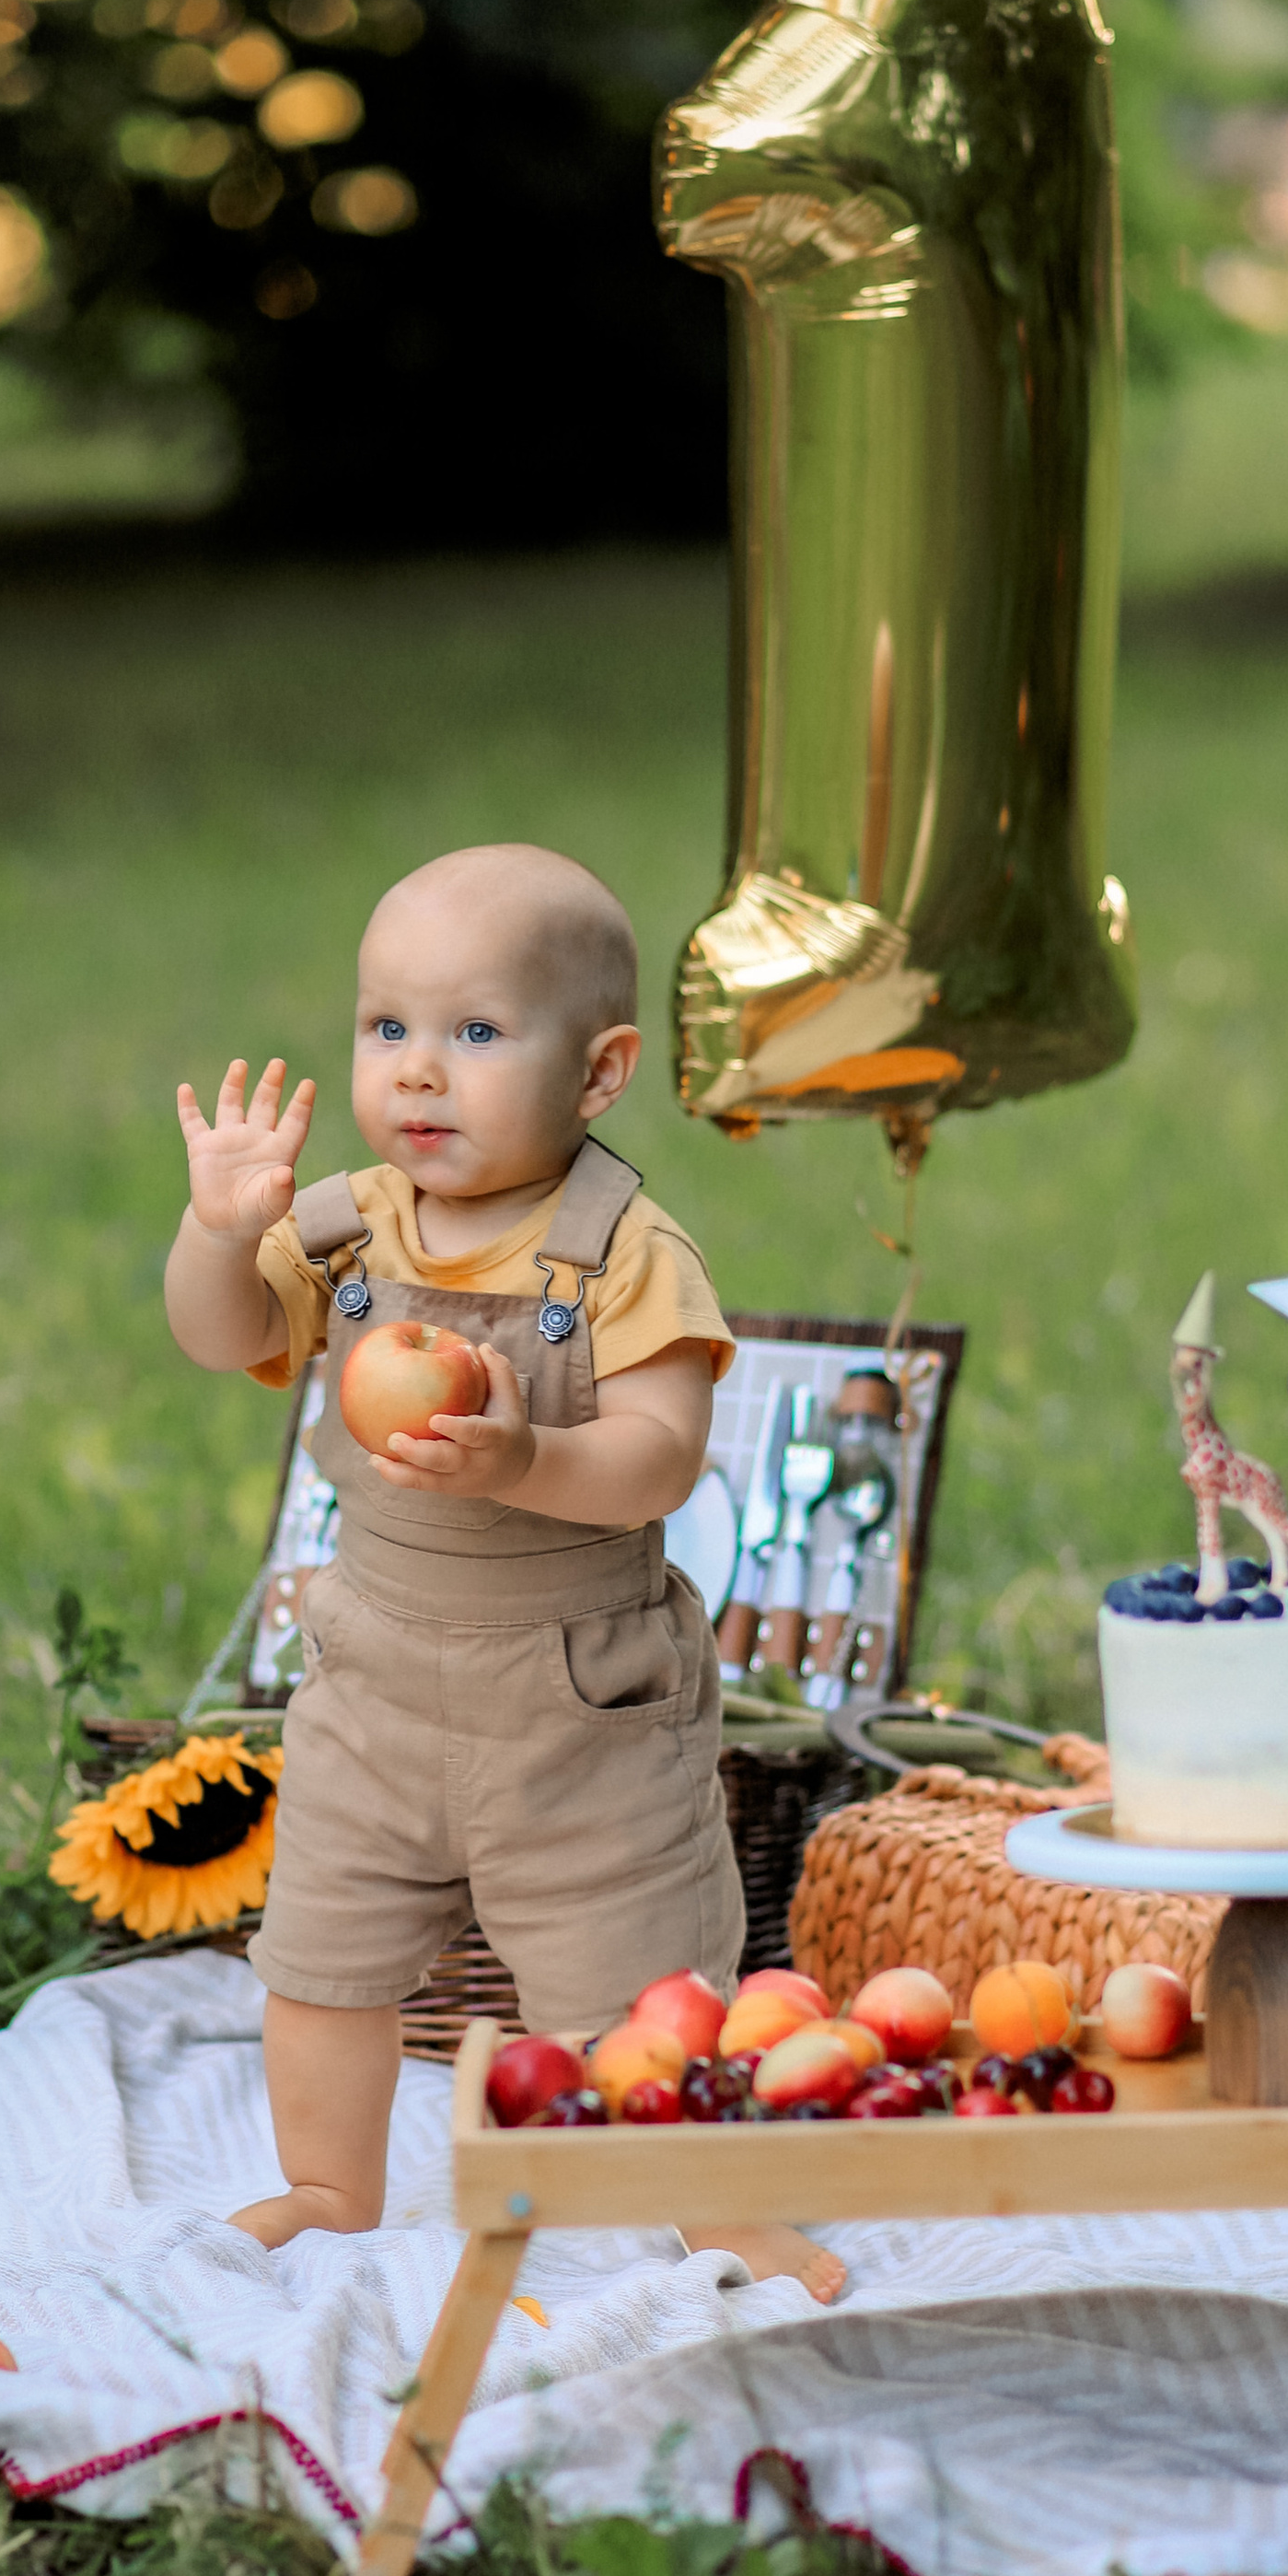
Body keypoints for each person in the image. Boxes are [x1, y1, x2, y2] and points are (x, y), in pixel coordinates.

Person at [165, 841, 846, 2303]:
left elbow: (662, 1454)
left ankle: (709, 2210)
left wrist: (525, 1459)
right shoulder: (343, 1228)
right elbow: (222, 1339)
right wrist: (220, 1235)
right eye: (386, 1027)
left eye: (474, 1034)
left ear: (598, 1073)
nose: (419, 1072)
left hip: (575, 1702)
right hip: (381, 1680)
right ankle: (334, 2187)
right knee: (322, 1961)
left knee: (642, 1977)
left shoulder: (622, 1251)